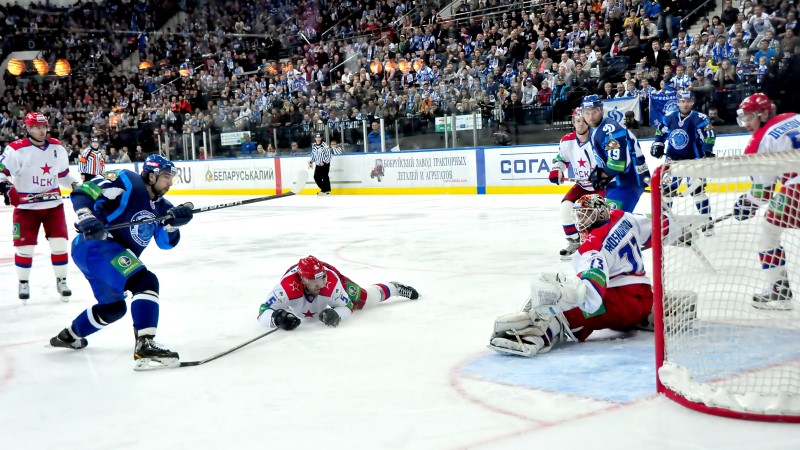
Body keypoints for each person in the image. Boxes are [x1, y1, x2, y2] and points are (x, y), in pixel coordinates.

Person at [48, 154, 195, 370]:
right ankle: (145, 344)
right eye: (166, 176)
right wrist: (86, 216)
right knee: (145, 281)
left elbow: (165, 244)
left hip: (106, 255)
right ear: (152, 176)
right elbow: (84, 191)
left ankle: (69, 336)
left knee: (113, 309)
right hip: (96, 245)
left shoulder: (164, 208)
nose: (170, 183)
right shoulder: (127, 180)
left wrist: (173, 225)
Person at [489, 195, 680, 357]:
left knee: (559, 308)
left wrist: (566, 300)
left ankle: (533, 336)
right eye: (579, 216)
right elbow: (663, 224)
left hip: (618, 306)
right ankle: (649, 312)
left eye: (586, 215)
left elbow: (592, 299)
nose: (581, 222)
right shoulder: (623, 217)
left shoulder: (591, 248)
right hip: (644, 297)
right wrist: (682, 231)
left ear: (600, 214)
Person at [0, 112, 79, 303]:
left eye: (43, 126)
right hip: (26, 208)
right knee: (25, 249)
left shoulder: (57, 148)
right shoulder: (16, 149)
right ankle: (23, 282)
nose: (41, 131)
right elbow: (1, 173)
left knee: (59, 245)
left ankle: (62, 281)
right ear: (28, 128)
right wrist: (6, 186)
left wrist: (76, 185)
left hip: (53, 206)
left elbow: (63, 176)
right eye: (36, 127)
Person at [731, 93, 800, 310]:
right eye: (743, 118)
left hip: (797, 187)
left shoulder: (759, 142)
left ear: (763, 113)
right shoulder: (793, 116)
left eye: (750, 117)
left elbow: (764, 192)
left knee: (768, 234)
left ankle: (779, 292)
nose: (746, 124)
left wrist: (746, 204)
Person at [257, 255, 420, 330]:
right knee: (288, 308)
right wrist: (277, 318)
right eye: (316, 281)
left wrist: (338, 314)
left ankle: (394, 287)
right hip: (295, 287)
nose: (322, 284)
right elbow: (263, 311)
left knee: (365, 299)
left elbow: (348, 306)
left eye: (323, 278)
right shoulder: (286, 288)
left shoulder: (331, 282)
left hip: (333, 275)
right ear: (304, 280)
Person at [651, 90, 716, 222]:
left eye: (688, 101)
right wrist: (658, 143)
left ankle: (707, 220)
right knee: (667, 191)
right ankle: (665, 222)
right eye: (682, 101)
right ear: (678, 102)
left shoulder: (700, 118)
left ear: (692, 102)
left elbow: (709, 135)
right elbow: (660, 131)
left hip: (694, 161)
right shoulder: (669, 117)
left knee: (697, 191)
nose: (685, 104)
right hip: (673, 161)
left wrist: (707, 150)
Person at [549, 108, 604, 260]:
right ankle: (575, 241)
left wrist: (602, 174)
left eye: (583, 121)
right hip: (582, 185)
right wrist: (557, 170)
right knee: (566, 207)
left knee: (603, 214)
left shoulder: (598, 138)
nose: (580, 124)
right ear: (573, 122)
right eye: (577, 121)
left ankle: (602, 242)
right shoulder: (567, 141)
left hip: (601, 185)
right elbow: (562, 159)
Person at [581, 95, 650, 212]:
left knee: (611, 219)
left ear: (601, 110)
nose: (591, 117)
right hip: (620, 182)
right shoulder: (597, 128)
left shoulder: (610, 129)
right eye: (587, 113)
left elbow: (617, 164)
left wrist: (601, 175)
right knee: (605, 217)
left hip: (627, 183)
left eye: (594, 112)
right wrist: (599, 170)